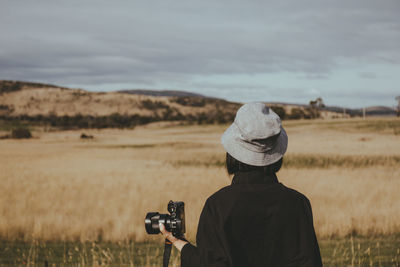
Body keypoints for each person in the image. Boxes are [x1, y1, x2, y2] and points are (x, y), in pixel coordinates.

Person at [160, 102, 322, 267]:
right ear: (277, 154)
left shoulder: (217, 205)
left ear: (233, 153)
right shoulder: (298, 203)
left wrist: (178, 242)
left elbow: (211, 263)